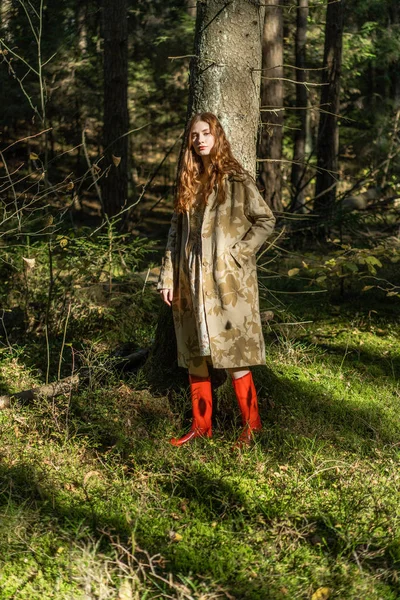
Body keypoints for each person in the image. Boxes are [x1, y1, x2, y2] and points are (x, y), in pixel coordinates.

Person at [158, 112, 275, 447]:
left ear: (217, 136)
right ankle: (201, 427)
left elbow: (265, 219)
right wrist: (167, 277)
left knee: (234, 355)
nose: (200, 140)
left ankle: (252, 427)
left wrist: (238, 254)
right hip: (190, 279)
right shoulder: (189, 180)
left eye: (206, 133)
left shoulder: (236, 179)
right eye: (194, 135)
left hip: (225, 283)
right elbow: (173, 233)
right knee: (195, 354)